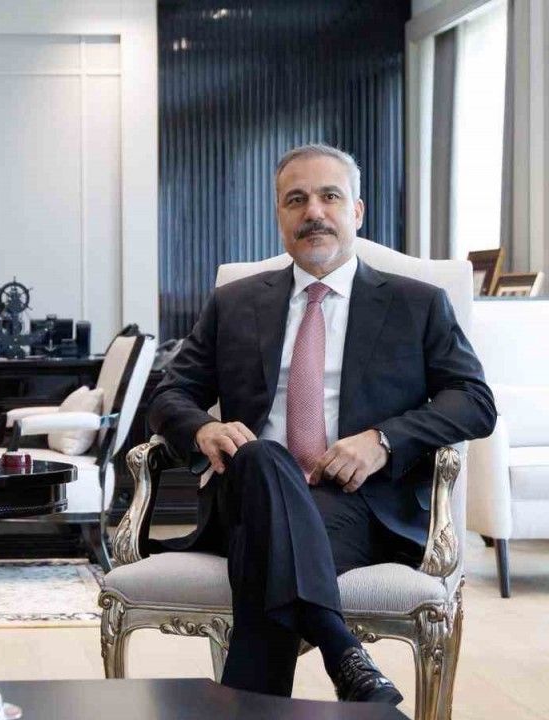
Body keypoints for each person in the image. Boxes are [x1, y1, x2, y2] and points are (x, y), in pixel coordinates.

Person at [148, 144, 495, 704]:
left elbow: (474, 401)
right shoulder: (233, 303)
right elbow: (171, 394)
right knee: (263, 455)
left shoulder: (416, 304)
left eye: (329, 196)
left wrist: (384, 440)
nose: (313, 211)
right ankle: (343, 653)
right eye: (296, 200)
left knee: (266, 559)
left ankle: (283, 691)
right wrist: (203, 430)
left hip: (360, 504)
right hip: (248, 488)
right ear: (280, 216)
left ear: (356, 211)